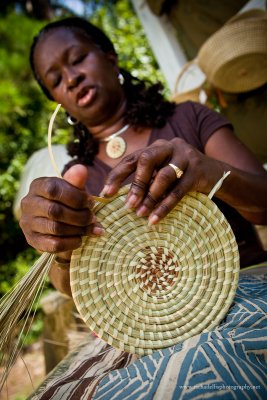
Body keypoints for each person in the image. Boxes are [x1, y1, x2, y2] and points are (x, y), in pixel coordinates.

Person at [19, 17, 267, 398]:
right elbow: (69, 286)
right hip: (142, 337)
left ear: (111, 59)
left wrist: (209, 171)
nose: (70, 78)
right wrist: (59, 247)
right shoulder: (74, 178)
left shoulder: (189, 119)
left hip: (241, 293)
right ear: (57, 101)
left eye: (77, 58)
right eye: (55, 79)